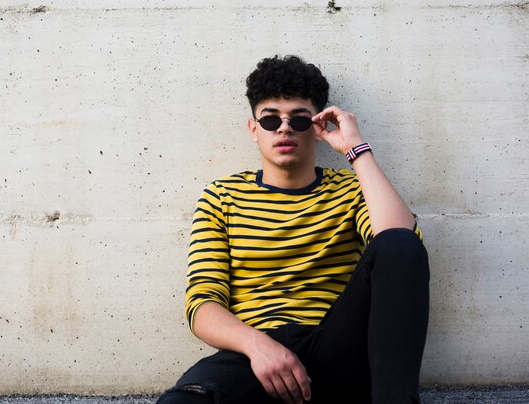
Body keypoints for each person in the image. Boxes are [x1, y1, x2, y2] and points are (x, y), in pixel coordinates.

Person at [157, 55, 430, 404]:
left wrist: (355, 150)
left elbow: (402, 247)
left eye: (300, 120)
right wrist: (258, 347)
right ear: (254, 129)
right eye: (270, 119)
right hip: (254, 354)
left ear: (317, 128)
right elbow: (202, 303)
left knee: (399, 245)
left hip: (335, 350)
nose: (284, 128)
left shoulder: (350, 190)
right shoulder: (222, 196)